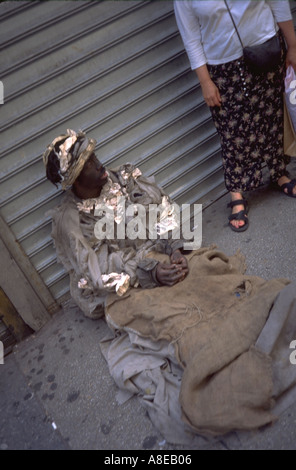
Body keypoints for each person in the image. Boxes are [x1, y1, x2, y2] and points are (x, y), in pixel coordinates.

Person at [43, 128, 296, 444]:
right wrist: (152, 273)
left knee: (217, 280)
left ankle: (268, 325)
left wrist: (176, 247)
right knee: (178, 319)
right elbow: (98, 274)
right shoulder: (70, 220)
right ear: (74, 183)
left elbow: (165, 208)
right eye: (88, 164)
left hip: (160, 256)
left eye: (94, 156)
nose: (98, 164)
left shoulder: (123, 178)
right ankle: (224, 370)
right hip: (126, 285)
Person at [174, 0, 296, 232]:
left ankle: (279, 173)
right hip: (222, 67)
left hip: (265, 50)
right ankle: (236, 192)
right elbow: (190, 37)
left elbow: (278, 2)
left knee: (272, 117)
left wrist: (293, 45)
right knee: (232, 131)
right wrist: (205, 81)